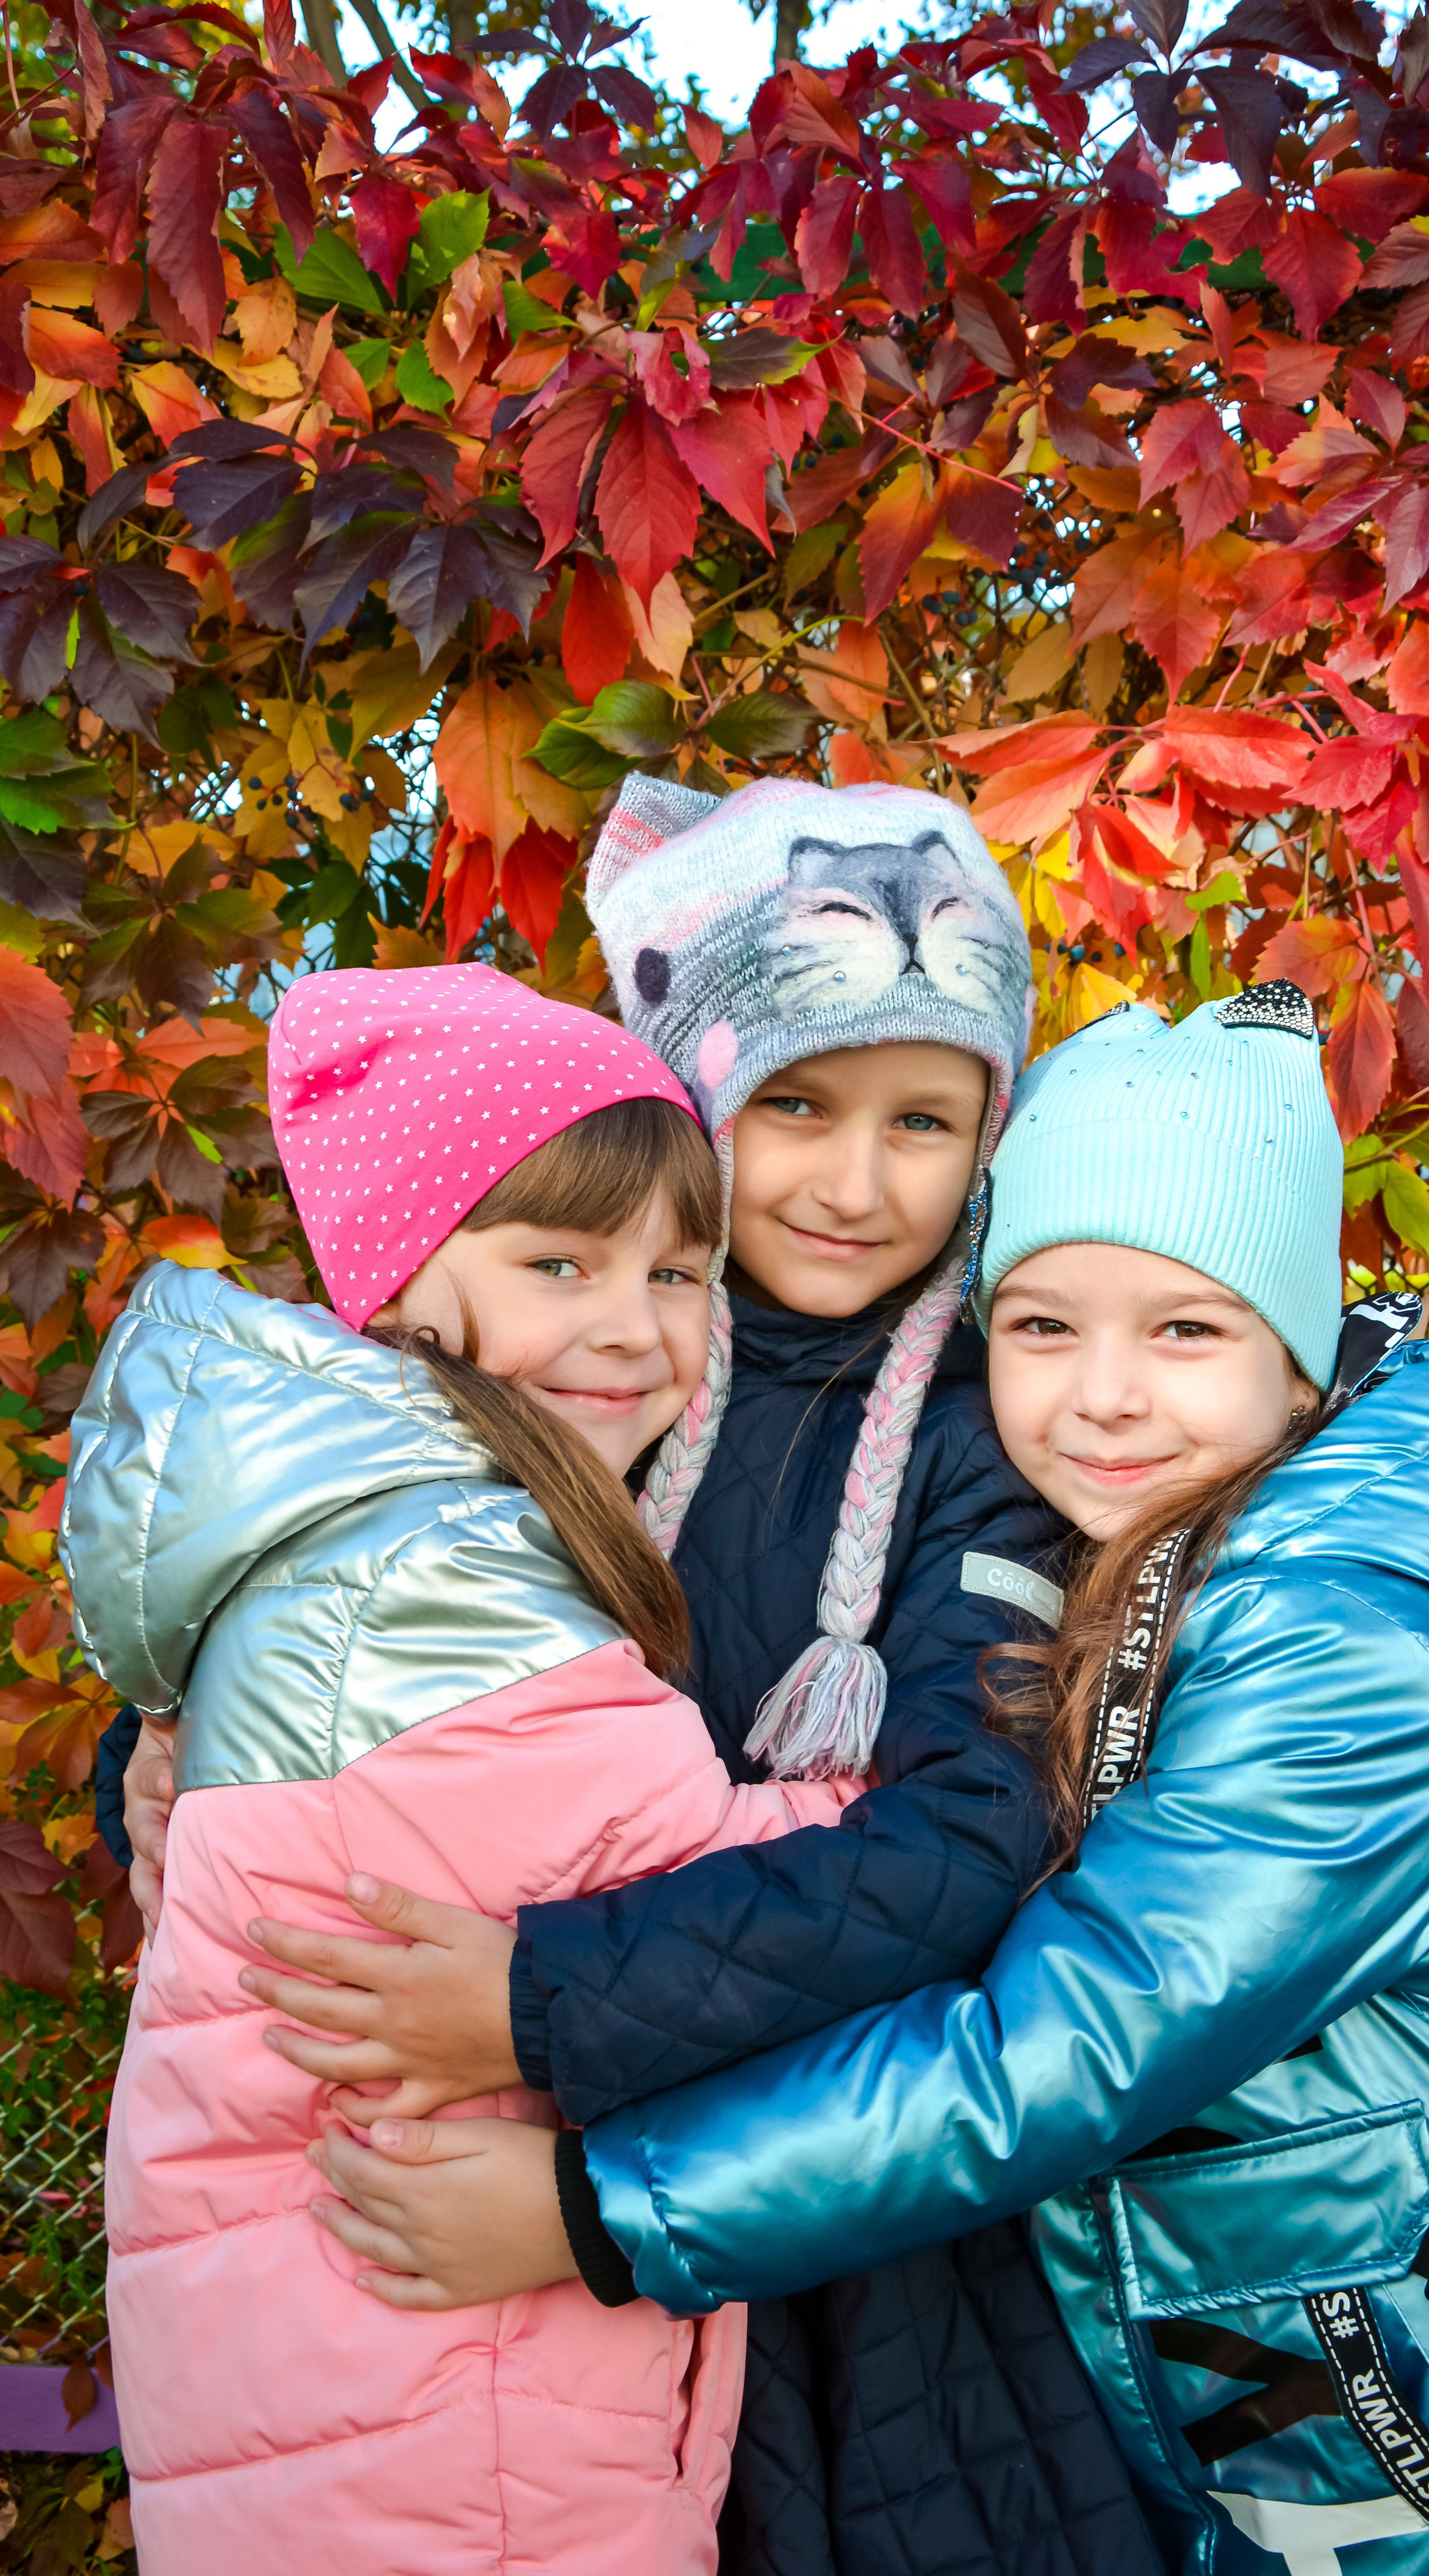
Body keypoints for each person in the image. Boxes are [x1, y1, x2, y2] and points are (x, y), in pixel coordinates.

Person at [299, 989, 1429, 2574]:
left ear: (1298, 1348)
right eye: (1041, 1327)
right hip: (1313, 2375)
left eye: (1184, 1330)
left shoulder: (1346, 1640)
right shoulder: (1165, 1546)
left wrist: (601, 2210)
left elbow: (1074, 2042)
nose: (1101, 1394)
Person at [111, 777, 1162, 2576]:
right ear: (688, 1098)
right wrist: (162, 1766)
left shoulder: (985, 1442)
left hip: (863, 2249)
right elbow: (339, 1693)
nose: (855, 1183)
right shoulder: (575, 1375)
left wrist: (537, 2001)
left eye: (922, 1121)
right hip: (530, 2291)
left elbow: (976, 1841)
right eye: (797, 1106)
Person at [62, 965, 869, 2576]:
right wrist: (943, 1785)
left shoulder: (362, 1519)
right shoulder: (434, 1575)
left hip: (352, 2380)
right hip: (452, 2414)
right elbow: (703, 1882)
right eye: (559, 1262)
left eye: (677, 1272)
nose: (633, 1326)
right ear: (402, 1282)